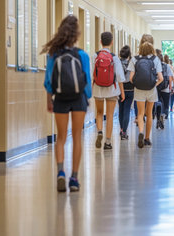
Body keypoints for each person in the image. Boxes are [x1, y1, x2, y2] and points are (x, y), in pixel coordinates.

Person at [42, 15, 92, 192]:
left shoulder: (54, 54)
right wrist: (87, 99)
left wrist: (50, 101)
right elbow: (86, 79)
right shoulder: (82, 55)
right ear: (76, 34)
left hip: (60, 99)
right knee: (77, 137)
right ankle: (74, 178)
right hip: (79, 99)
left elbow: (48, 80)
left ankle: (61, 172)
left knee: (61, 138)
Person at [93, 32, 126, 151]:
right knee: (110, 115)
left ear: (101, 42)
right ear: (111, 42)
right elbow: (120, 77)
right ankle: (108, 142)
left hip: (98, 89)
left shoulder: (95, 56)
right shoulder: (114, 57)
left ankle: (100, 131)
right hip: (112, 89)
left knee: (99, 113)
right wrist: (122, 92)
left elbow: (91, 73)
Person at [129, 42, 164, 148]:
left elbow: (130, 78)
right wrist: (154, 84)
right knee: (149, 114)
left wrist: (137, 84)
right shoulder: (155, 59)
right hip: (151, 90)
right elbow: (161, 78)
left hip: (139, 89)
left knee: (140, 113)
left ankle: (140, 131)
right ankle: (147, 138)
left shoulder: (134, 59)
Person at [118, 45, 135, 140]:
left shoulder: (118, 62)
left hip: (120, 89)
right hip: (130, 89)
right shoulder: (132, 62)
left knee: (120, 110)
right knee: (127, 110)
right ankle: (124, 131)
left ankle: (121, 129)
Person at [156, 54, 174, 128]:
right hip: (166, 87)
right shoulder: (167, 66)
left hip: (157, 86)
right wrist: (170, 87)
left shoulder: (155, 65)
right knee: (166, 104)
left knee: (158, 102)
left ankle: (159, 116)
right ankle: (164, 116)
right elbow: (170, 78)